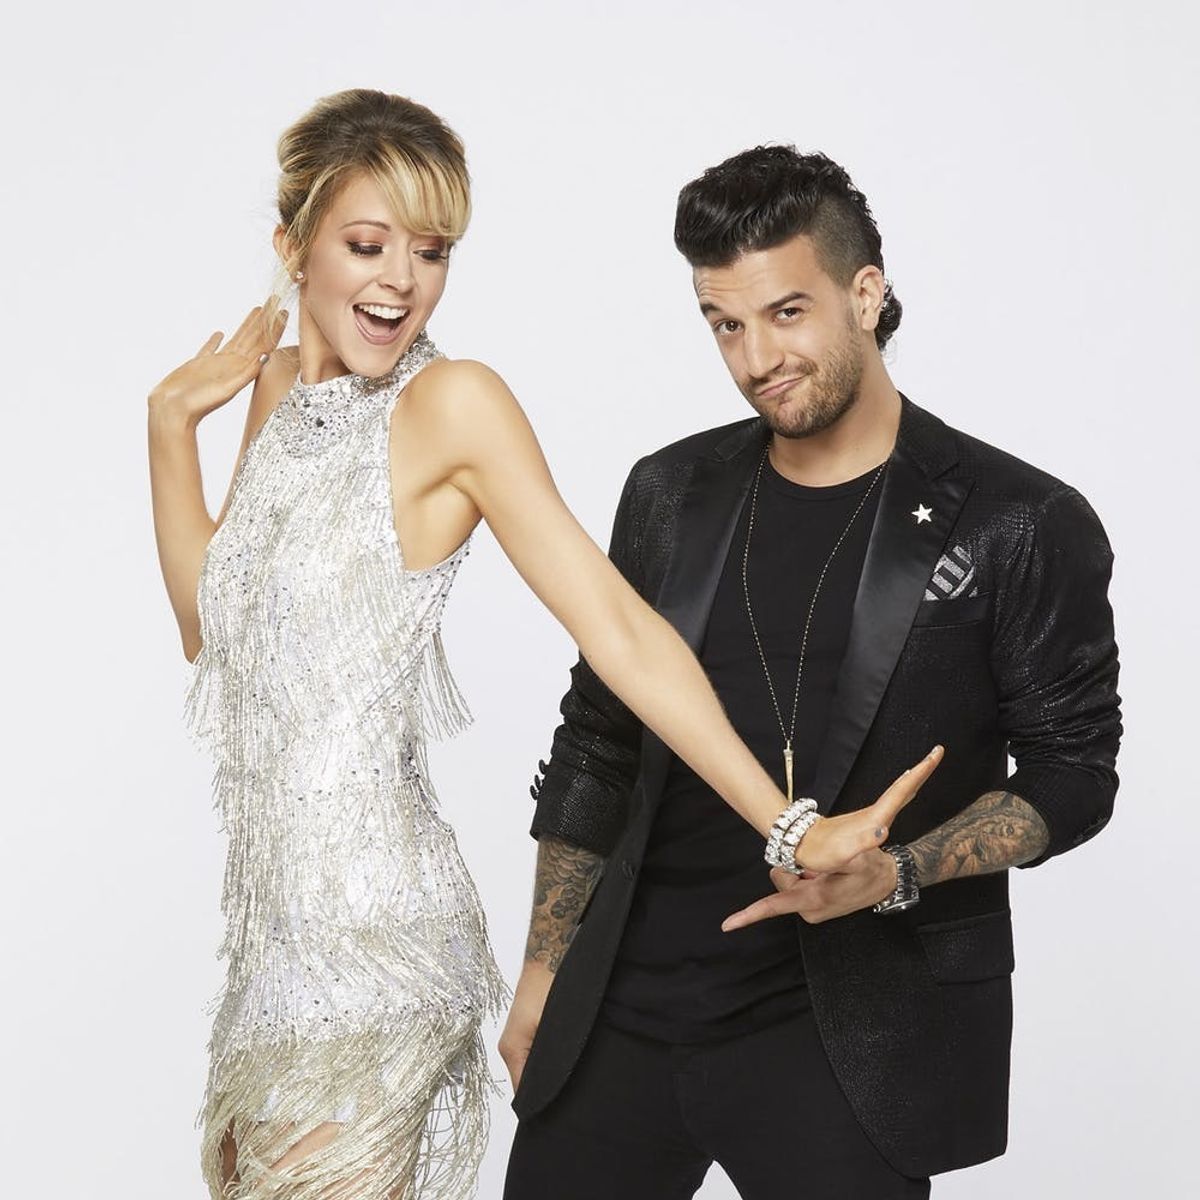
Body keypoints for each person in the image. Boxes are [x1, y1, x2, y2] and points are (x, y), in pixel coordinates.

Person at [147, 95, 925, 1200]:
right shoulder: (275, 391)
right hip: (270, 955)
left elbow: (622, 630)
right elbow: (214, 634)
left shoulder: (452, 405)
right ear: (293, 246)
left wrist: (785, 824)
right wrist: (169, 428)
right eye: (368, 245)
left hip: (376, 951)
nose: (402, 282)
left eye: (432, 252)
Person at [500, 145, 1122, 1199]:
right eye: (724, 324)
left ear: (865, 295)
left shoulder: (1018, 521)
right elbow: (597, 740)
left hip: (845, 1031)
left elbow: (1075, 773)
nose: (756, 359)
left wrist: (901, 871)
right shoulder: (669, 493)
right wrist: (541, 976)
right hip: (624, 1008)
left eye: (786, 313)